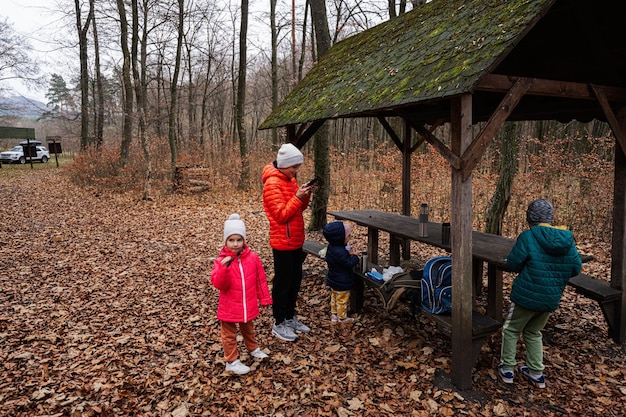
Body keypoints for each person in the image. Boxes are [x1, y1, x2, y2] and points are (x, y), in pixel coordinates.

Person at [497, 199, 582, 389]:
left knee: (511, 330)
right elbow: (576, 268)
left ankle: (507, 369)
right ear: (550, 218)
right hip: (550, 297)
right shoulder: (566, 239)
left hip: (526, 295)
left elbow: (513, 264)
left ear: (530, 218)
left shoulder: (528, 236)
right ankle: (536, 372)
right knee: (534, 332)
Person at [262, 143, 316, 341]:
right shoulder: (272, 184)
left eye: (298, 167)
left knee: (295, 281)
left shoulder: (290, 180)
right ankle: (279, 322)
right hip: (282, 241)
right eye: (294, 167)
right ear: (284, 165)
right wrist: (296, 197)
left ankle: (290, 316)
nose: (296, 171)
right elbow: (281, 215)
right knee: (283, 283)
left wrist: (305, 194)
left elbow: (298, 209)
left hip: (296, 239)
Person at [210, 214, 273, 375]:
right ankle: (231, 361)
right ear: (226, 241)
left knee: (249, 329)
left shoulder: (253, 258)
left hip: (248, 304)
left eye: (239, 240)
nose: (236, 244)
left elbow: (260, 280)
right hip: (229, 306)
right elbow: (218, 284)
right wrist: (223, 268)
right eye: (231, 240)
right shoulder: (221, 261)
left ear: (244, 240)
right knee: (229, 335)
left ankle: (253, 348)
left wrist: (265, 298)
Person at [322, 221, 360, 323]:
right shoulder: (340, 252)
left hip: (333, 278)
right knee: (342, 299)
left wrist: (348, 252)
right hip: (342, 280)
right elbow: (348, 263)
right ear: (340, 238)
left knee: (334, 297)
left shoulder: (332, 247)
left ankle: (334, 314)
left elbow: (340, 260)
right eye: (348, 236)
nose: (350, 238)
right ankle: (342, 317)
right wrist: (355, 256)